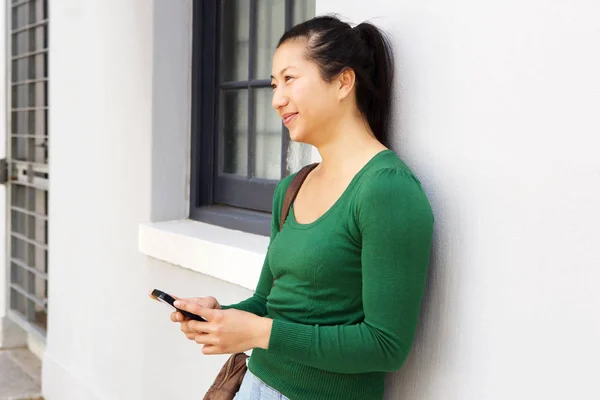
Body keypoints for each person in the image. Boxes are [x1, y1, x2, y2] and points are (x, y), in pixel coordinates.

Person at [171, 15, 434, 400]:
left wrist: (260, 332)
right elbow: (268, 303)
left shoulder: (386, 190)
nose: (276, 98)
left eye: (289, 79)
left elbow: (385, 346)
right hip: (254, 384)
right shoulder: (293, 188)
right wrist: (219, 316)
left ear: (343, 81)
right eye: (275, 85)